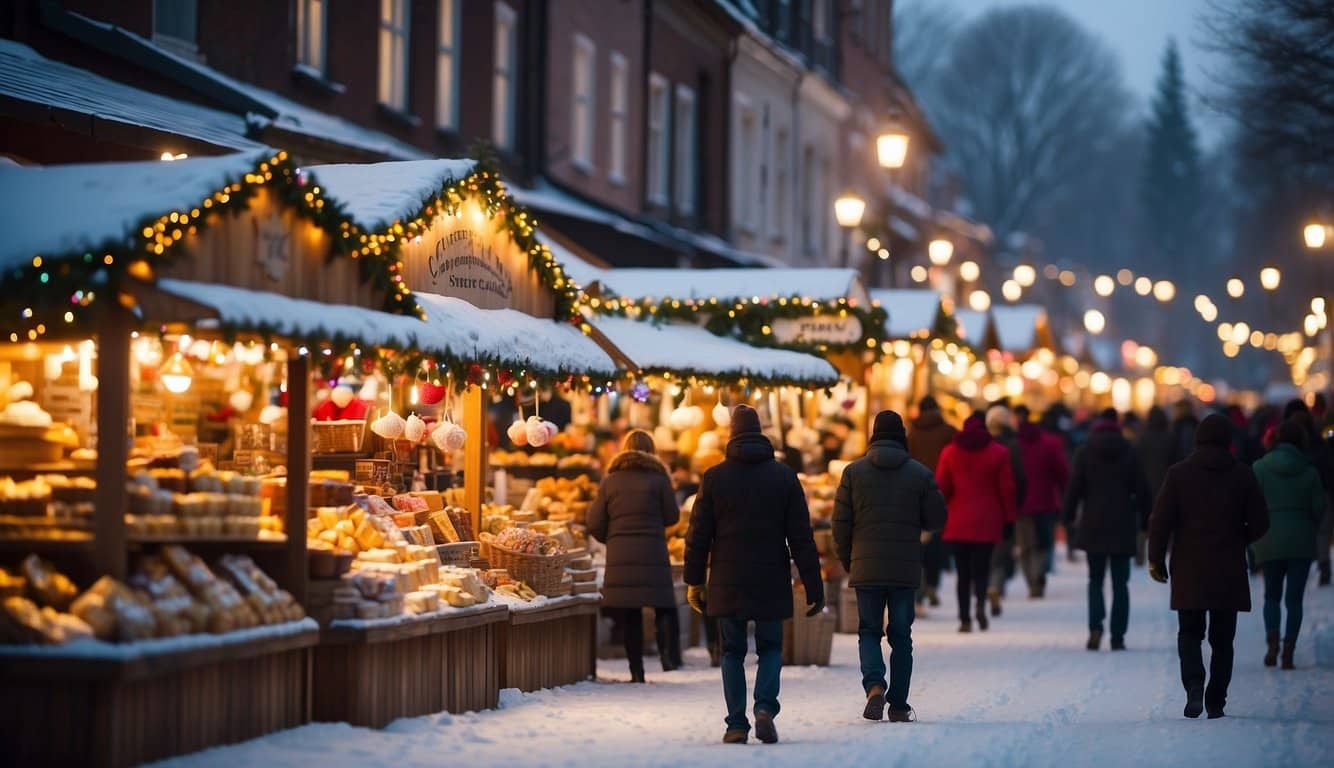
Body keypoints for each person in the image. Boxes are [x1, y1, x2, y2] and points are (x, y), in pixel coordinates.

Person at [684, 404, 824, 745]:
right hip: (771, 574)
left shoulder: (715, 477)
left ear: (731, 435)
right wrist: (814, 584)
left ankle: (735, 723)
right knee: (771, 648)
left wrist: (694, 580)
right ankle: (764, 708)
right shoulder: (784, 476)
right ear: (762, 435)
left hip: (727, 576)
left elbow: (698, 534)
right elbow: (801, 536)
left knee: (731, 651)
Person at [1148, 413, 1270, 719]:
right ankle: (1217, 699)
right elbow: (1261, 521)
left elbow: (1161, 521)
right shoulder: (1242, 474)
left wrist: (1155, 558)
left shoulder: (1178, 474)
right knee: (1223, 639)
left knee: (1189, 632)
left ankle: (1193, 684)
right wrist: (1239, 537)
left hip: (1189, 566)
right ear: (1229, 440)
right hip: (1228, 566)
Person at [833, 410, 947, 723]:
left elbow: (840, 525)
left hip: (866, 567)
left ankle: (873, 685)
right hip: (904, 568)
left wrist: (849, 560)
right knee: (901, 636)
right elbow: (938, 518)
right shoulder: (919, 473)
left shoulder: (853, 473)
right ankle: (898, 704)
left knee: (869, 631)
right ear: (902, 437)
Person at [586, 430, 682, 682]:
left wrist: (615, 539)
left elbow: (594, 522)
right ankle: (667, 656)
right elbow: (673, 516)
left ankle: (636, 671)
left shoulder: (610, 480)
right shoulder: (660, 479)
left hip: (621, 554)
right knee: (663, 605)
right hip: (654, 552)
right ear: (651, 451)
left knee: (630, 614)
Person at [1063, 410, 1151, 651]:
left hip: (1094, 523)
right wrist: (1145, 520)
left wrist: (1068, 516)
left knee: (1095, 579)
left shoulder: (1085, 452)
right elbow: (1142, 490)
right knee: (1121, 584)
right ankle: (1118, 635)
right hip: (1122, 524)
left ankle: (1095, 628)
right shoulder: (1129, 452)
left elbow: (1075, 488)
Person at [1252, 421, 1326, 669]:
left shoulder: (1260, 468)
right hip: (1301, 541)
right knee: (1294, 600)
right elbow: (1320, 508)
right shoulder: (1309, 471)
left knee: (1271, 596)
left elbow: (1251, 505)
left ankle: (1272, 640)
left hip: (1268, 539)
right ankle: (1288, 649)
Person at [936, 413, 1017, 633]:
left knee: (962, 573)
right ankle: (980, 604)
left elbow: (942, 487)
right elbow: (1006, 489)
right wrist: (1009, 518)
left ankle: (964, 618)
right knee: (982, 570)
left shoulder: (950, 452)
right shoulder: (999, 452)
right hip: (987, 520)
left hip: (958, 520)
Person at [1014, 405, 1069, 598]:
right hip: (1045, 501)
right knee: (1044, 544)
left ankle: (1031, 580)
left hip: (1020, 503)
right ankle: (1039, 575)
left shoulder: (1014, 445)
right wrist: (1065, 495)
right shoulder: (1050, 443)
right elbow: (1062, 473)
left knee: (1025, 545)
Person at [909, 396, 957, 609]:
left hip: (914, 495)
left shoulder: (912, 433)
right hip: (941, 493)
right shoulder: (949, 433)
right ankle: (933, 584)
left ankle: (919, 591)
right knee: (937, 543)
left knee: (917, 545)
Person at [985, 405, 1026, 616]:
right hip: (1004, 506)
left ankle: (985, 585)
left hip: (982, 507)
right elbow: (1019, 478)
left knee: (985, 550)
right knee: (1001, 551)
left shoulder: (982, 445)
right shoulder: (1013, 446)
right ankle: (995, 585)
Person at [1136, 406, 1176, 565]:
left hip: (1145, 485)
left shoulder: (1142, 438)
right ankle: (1168, 549)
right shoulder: (1170, 438)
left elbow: (1136, 462)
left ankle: (1140, 554)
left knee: (1143, 521)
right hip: (1165, 483)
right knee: (1166, 519)